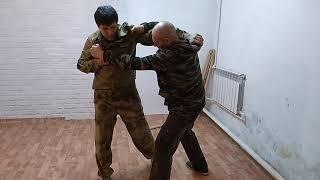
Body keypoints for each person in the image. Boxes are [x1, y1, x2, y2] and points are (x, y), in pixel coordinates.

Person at [90, 21, 208, 180]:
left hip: (183, 108)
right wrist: (145, 27)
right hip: (197, 101)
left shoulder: (168, 56)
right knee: (185, 132)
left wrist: (104, 55)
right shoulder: (188, 41)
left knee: (162, 148)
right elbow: (164, 24)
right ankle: (200, 166)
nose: (154, 45)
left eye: (156, 43)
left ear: (166, 41)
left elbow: (134, 62)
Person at [77, 5, 157, 180]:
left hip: (127, 93)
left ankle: (157, 161)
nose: (109, 32)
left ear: (117, 23)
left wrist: (184, 37)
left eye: (112, 27)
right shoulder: (93, 40)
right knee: (102, 139)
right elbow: (81, 65)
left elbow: (155, 35)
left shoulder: (129, 33)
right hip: (103, 95)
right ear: (98, 26)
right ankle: (104, 173)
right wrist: (99, 63)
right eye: (104, 28)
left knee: (140, 131)